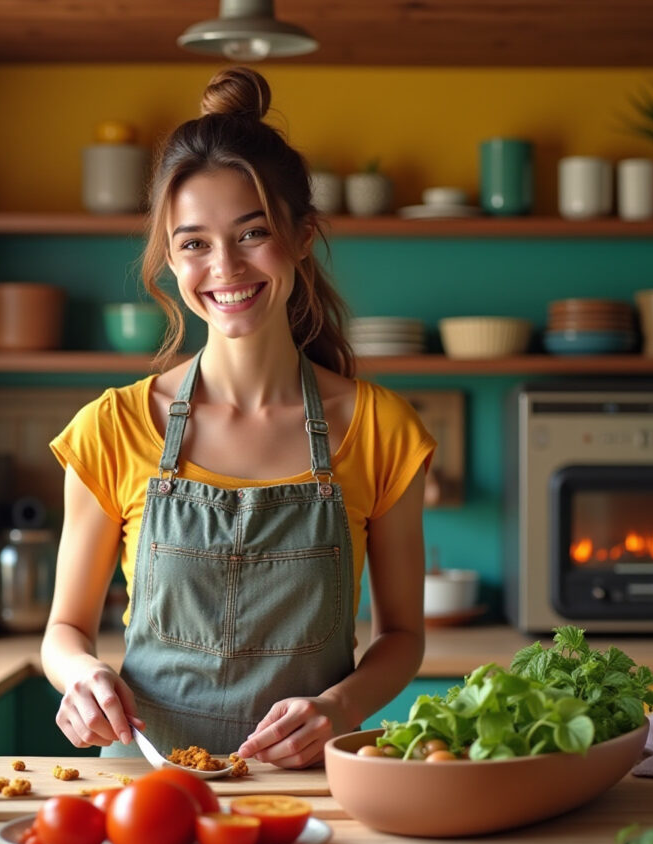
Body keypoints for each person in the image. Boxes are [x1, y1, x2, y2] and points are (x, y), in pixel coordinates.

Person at [42, 66, 434, 769]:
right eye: (193, 242)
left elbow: (403, 635)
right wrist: (83, 677)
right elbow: (64, 630)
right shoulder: (114, 428)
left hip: (314, 781)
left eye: (252, 233)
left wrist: (338, 706)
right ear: (169, 257)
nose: (224, 267)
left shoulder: (380, 428)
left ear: (303, 235)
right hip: (147, 785)